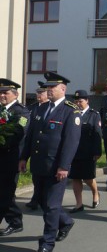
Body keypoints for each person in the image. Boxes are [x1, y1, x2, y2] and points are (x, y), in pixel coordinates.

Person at [19, 72, 81, 252]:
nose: (48, 90)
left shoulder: (71, 110)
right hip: (39, 165)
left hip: (56, 167)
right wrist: (24, 157)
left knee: (52, 206)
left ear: (63, 89)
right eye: (47, 88)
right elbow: (32, 137)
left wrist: (64, 166)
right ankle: (66, 221)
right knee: (45, 203)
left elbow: (71, 141)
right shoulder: (40, 108)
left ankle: (47, 243)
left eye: (52, 87)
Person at [0, 79, 30, 237]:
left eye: (6, 92)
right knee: (5, 192)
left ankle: (15, 222)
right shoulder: (0, 109)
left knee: (6, 190)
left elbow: (19, 132)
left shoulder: (22, 112)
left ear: (15, 94)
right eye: (1, 92)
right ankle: (15, 220)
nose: (2, 95)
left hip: (12, 157)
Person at [68, 90, 102, 213]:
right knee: (75, 178)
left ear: (87, 101)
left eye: (80, 101)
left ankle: (95, 193)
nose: (78, 103)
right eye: (76, 101)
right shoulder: (71, 113)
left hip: (88, 152)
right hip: (73, 152)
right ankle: (79, 203)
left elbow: (97, 134)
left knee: (88, 178)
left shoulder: (94, 114)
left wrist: (97, 152)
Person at [25, 81, 49, 211]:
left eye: (41, 93)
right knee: (35, 175)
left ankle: (39, 199)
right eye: (37, 92)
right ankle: (36, 197)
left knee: (43, 176)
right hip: (33, 144)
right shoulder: (32, 107)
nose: (38, 95)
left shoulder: (48, 108)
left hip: (44, 146)